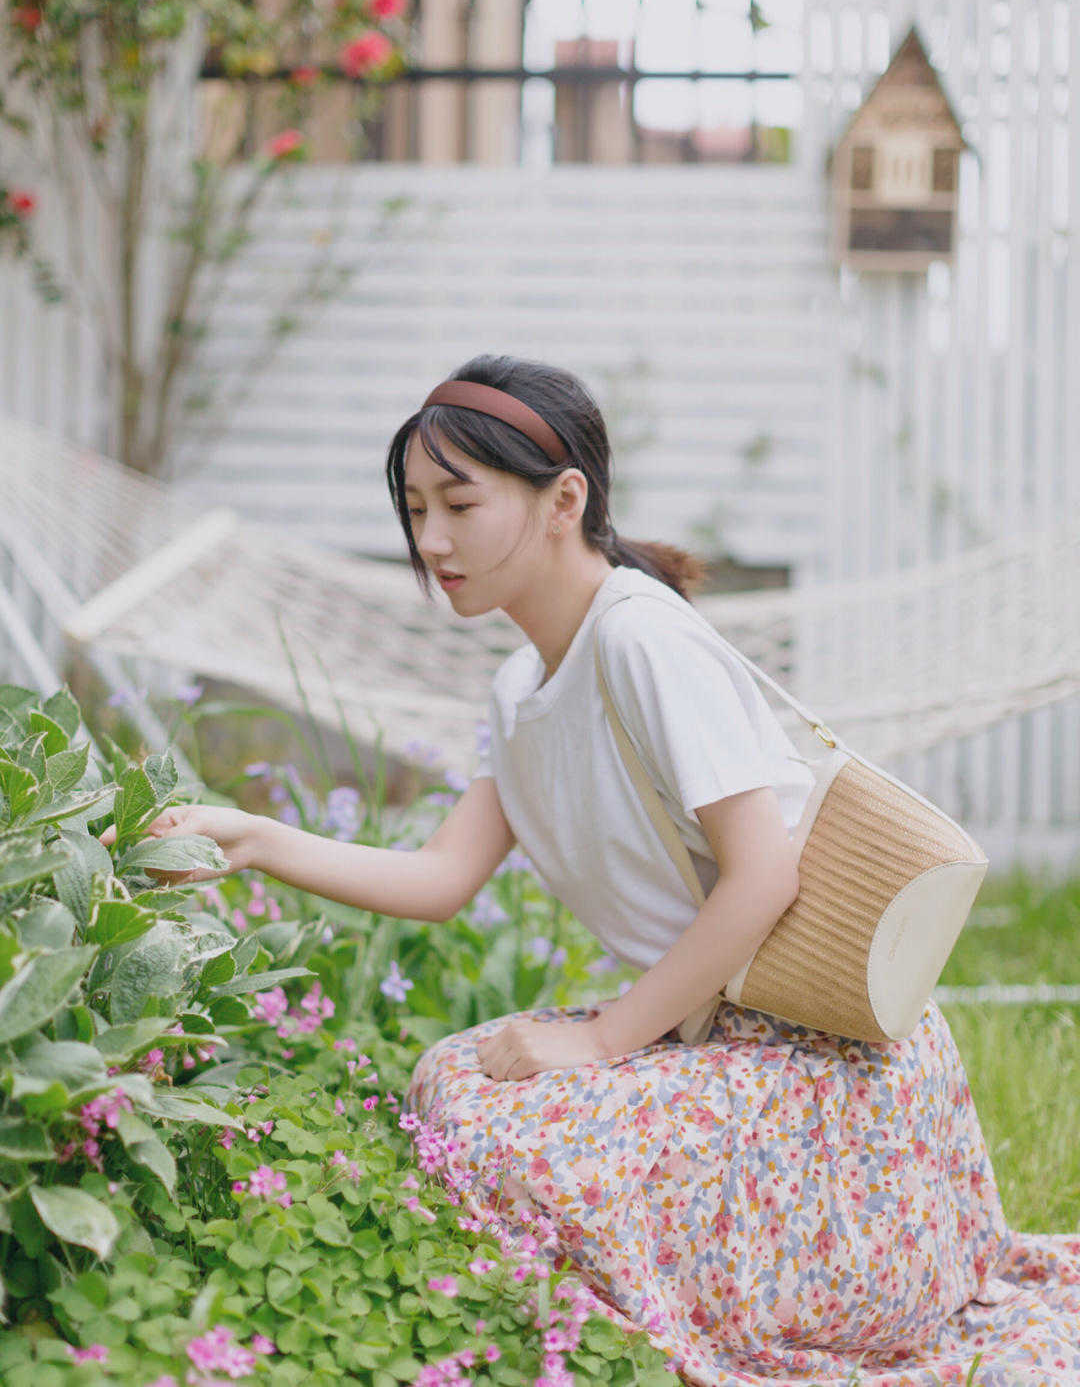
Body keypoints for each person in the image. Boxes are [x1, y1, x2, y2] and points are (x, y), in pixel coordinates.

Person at [118, 354, 1080, 1386]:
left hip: (824, 1061)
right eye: (413, 507)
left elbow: (765, 878)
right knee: (454, 1076)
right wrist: (256, 837)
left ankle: (718, 1315)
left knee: (531, 1141)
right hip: (710, 1040)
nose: (430, 540)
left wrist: (607, 1039)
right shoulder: (520, 681)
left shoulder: (643, 640)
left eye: (458, 501)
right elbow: (445, 877)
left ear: (562, 498)